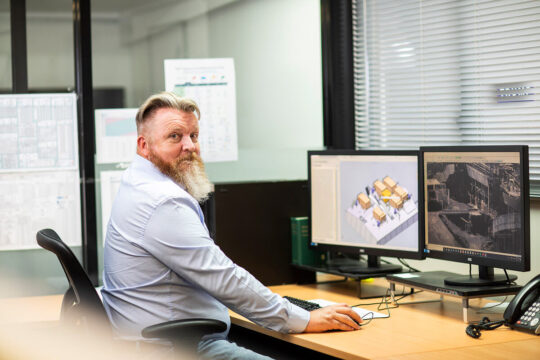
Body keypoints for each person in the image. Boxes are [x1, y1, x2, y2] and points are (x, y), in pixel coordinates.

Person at [101, 92, 362, 359]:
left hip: (153, 338)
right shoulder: (163, 202)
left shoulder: (136, 182)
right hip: (178, 347)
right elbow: (224, 278)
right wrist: (303, 319)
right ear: (144, 146)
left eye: (194, 135)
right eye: (175, 136)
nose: (190, 146)